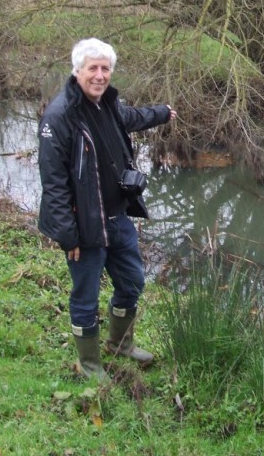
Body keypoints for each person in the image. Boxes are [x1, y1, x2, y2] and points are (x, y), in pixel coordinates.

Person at [37, 37, 177, 381]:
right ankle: (88, 363)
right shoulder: (60, 116)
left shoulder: (108, 105)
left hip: (117, 218)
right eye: (93, 69)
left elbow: (130, 117)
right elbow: (53, 182)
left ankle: (120, 344)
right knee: (85, 297)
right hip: (84, 227)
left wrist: (161, 113)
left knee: (133, 282)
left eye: (105, 69)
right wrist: (67, 234)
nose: (100, 76)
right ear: (77, 71)